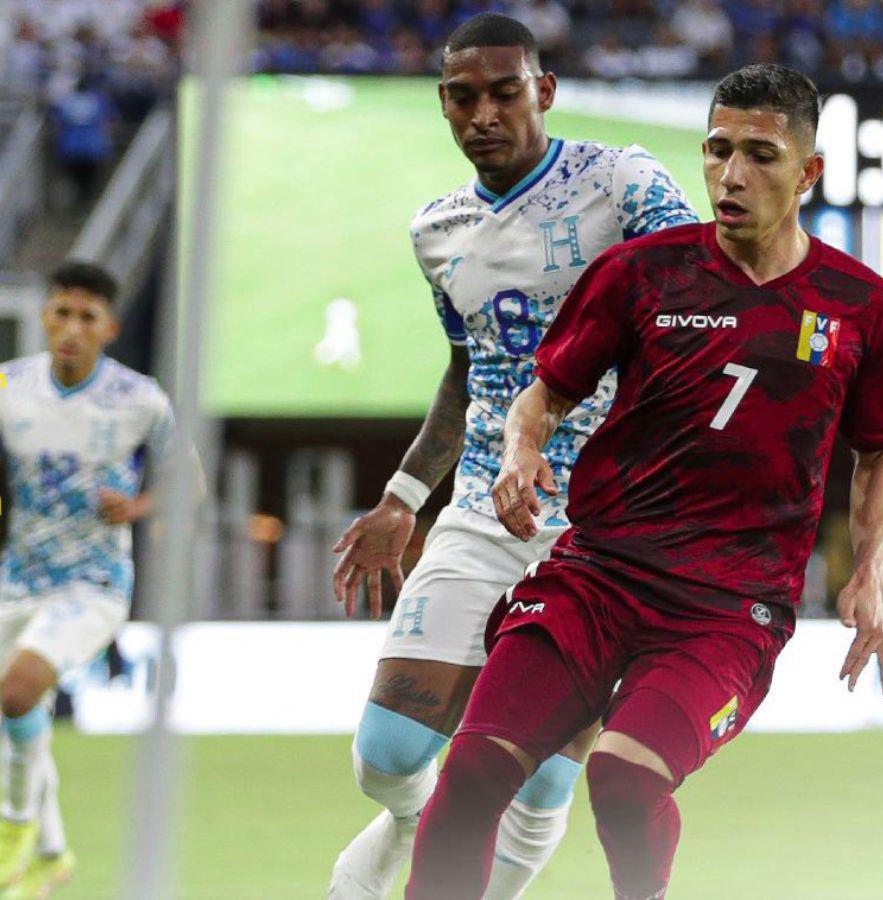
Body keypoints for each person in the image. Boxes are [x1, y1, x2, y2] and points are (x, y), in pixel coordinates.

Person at [405, 63, 883, 899]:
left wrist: (870, 572)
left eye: (760, 156)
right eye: (717, 150)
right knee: (472, 776)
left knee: (624, 779)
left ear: (808, 172)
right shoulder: (640, 272)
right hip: (597, 577)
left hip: (727, 610)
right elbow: (544, 394)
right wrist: (521, 450)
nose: (730, 174)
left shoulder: (864, 306)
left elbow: (879, 453)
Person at [327, 13, 697, 899]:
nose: (483, 114)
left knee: (539, 780)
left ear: (545, 91)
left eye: (504, 92)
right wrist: (403, 496)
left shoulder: (623, 182)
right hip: (483, 511)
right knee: (387, 755)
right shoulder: (437, 229)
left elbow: (701, 296)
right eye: (463, 97)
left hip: (607, 536)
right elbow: (471, 367)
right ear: (443, 103)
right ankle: (416, 820)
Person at [0, 261, 180, 897]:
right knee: (20, 713)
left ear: (109, 328)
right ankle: (51, 854)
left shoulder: (139, 399)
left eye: (87, 317)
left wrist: (138, 507)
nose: (72, 329)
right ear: (44, 317)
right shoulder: (8, 384)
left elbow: (189, 480)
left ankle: (13, 828)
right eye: (62, 314)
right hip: (16, 578)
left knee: (17, 693)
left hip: (93, 583)